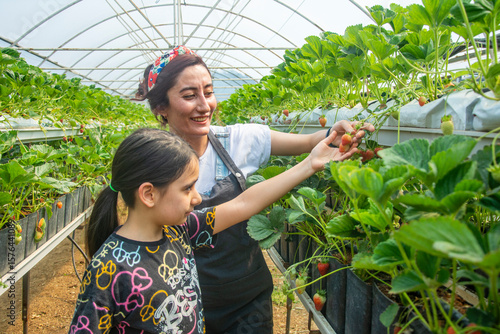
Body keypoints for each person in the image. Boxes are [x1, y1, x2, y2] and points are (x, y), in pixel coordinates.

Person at [133, 45, 375, 333]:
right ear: (161, 107)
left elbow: (308, 143)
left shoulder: (240, 139)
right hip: (183, 303)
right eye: (189, 96)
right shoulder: (152, 163)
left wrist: (333, 134)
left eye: (208, 92)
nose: (204, 105)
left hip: (248, 301)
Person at [69, 127, 356, 333]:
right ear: (148, 194)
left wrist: (309, 164)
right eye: (187, 189)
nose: (197, 198)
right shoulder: (108, 269)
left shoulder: (178, 232)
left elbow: (244, 204)